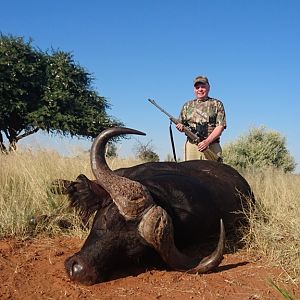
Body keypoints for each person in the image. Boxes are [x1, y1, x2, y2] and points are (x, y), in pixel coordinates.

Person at [176, 75, 226, 161]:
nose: (200, 89)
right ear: (194, 89)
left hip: (212, 146)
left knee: (215, 173)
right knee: (189, 173)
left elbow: (220, 126)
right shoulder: (187, 106)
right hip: (192, 146)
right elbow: (181, 124)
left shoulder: (217, 104)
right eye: (197, 87)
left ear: (209, 87)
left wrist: (206, 142)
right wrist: (180, 127)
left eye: (203, 87)